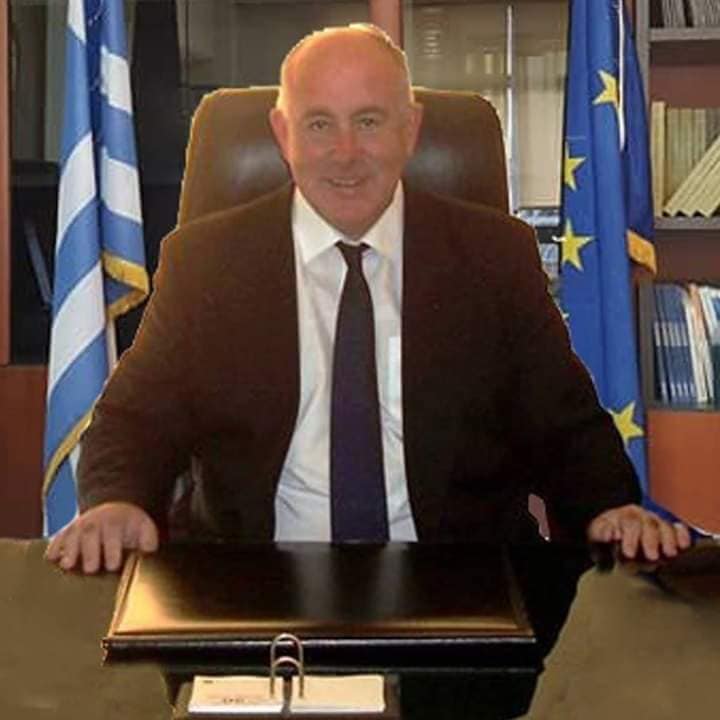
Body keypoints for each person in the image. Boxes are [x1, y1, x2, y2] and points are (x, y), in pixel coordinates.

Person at [46, 24, 690, 575]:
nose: (345, 153)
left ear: (410, 130)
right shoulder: (207, 262)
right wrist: (117, 501)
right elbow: (136, 418)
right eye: (319, 124)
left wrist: (608, 509)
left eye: (370, 122)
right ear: (283, 134)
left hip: (459, 586)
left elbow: (565, 427)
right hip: (252, 583)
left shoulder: (494, 258)